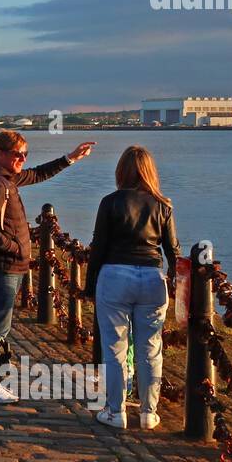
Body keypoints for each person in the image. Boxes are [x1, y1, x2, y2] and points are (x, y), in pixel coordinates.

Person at [0, 131, 94, 403]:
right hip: (2, 265)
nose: (22, 159)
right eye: (17, 154)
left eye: (25, 154)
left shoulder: (5, 177)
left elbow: (38, 174)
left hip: (3, 265)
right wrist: (16, 248)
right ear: (0, 153)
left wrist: (70, 158)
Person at [85, 146, 179, 431]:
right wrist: (175, 279)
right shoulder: (163, 205)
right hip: (152, 276)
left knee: (114, 348)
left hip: (115, 275)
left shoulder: (110, 202)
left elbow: (98, 246)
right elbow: (172, 249)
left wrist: (90, 286)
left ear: (121, 171)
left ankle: (116, 411)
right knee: (151, 348)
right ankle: (149, 412)